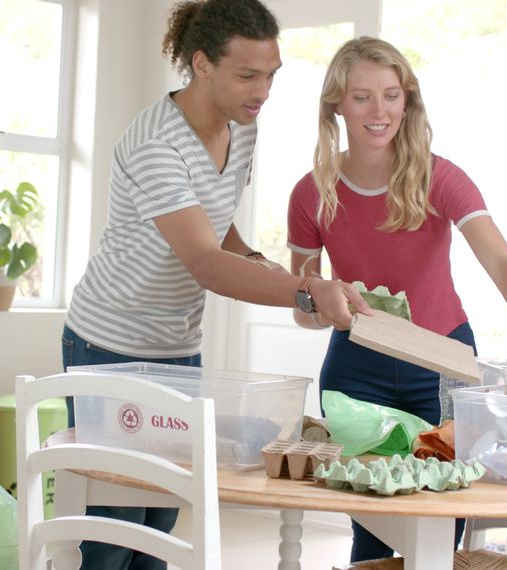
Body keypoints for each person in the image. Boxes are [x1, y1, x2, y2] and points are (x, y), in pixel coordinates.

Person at [61, 2, 372, 569]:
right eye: (247, 75)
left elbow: (210, 219)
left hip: (178, 346)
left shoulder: (241, 128)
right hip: (109, 344)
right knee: (115, 531)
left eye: (272, 73)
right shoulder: (156, 142)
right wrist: (306, 289)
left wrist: (258, 261)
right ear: (201, 65)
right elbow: (204, 261)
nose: (263, 90)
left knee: (163, 517)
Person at [286, 36, 507, 563]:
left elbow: (501, 258)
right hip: (357, 372)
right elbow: (301, 306)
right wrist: (317, 301)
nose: (380, 111)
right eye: (362, 97)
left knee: (443, 519)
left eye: (392, 95)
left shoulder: (438, 176)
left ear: (408, 100)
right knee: (373, 523)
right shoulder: (311, 194)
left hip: (442, 365)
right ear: (336, 104)